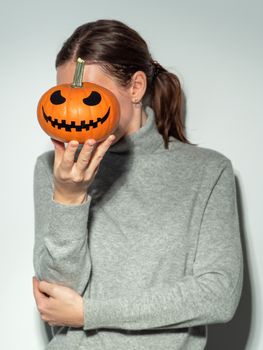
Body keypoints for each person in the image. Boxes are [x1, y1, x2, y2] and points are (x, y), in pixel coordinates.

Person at [32, 19, 244, 350]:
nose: (72, 110)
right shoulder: (54, 168)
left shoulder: (207, 172)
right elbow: (56, 299)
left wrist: (90, 312)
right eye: (62, 95)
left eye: (88, 95)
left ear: (135, 87)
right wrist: (68, 198)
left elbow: (219, 294)